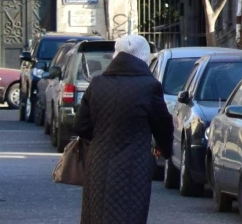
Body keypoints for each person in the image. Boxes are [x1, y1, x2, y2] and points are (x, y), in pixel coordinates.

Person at [72, 31, 170, 224]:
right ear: (144, 56)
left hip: (98, 162)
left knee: (96, 214)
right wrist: (163, 148)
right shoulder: (150, 86)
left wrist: (101, 138)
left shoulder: (97, 83)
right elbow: (163, 125)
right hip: (135, 165)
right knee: (129, 214)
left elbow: (81, 126)